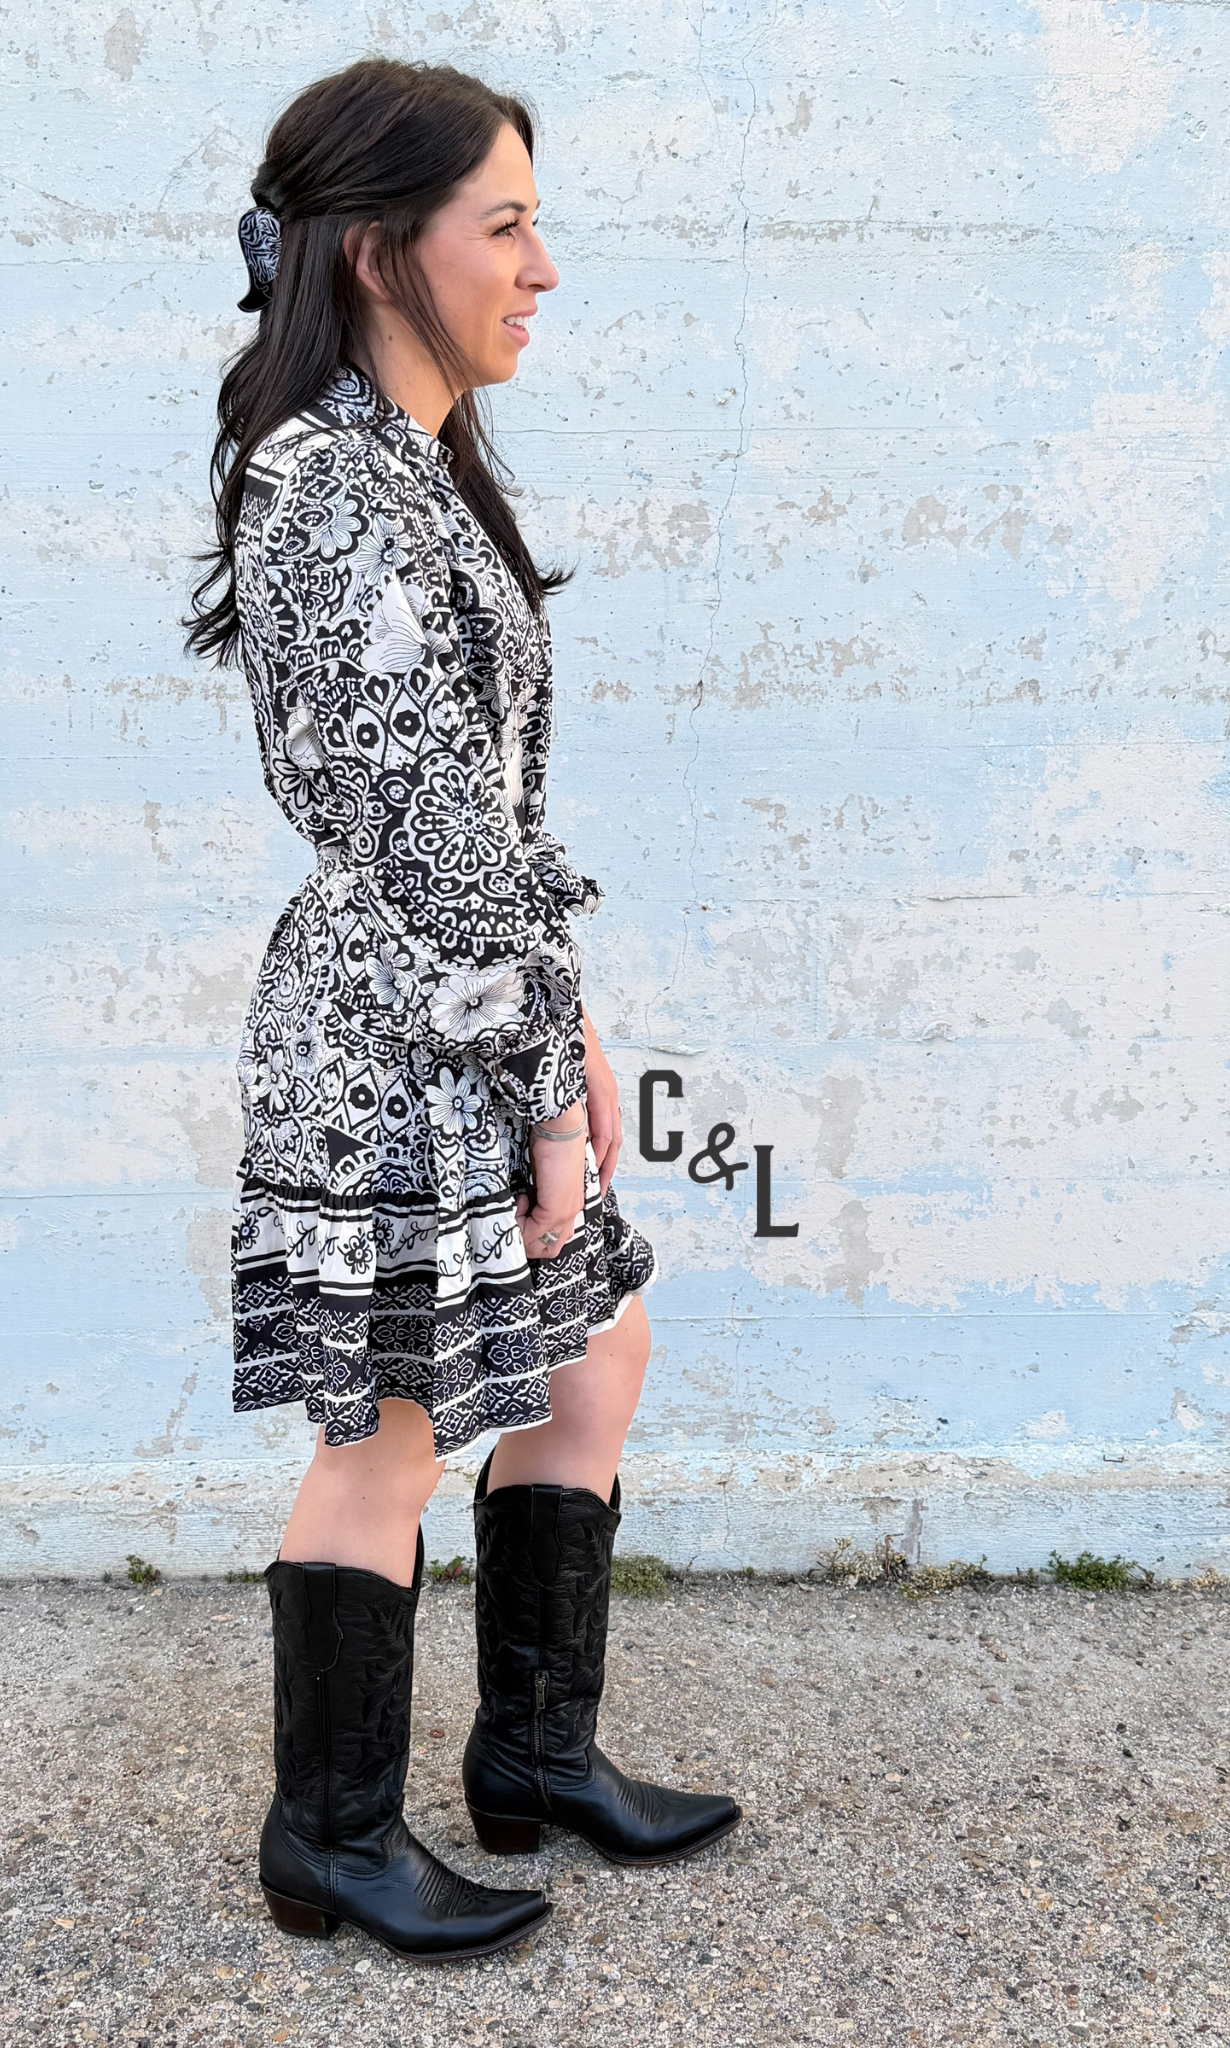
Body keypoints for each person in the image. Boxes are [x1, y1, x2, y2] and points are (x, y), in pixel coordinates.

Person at [184, 55, 740, 1964]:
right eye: (503, 225)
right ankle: (330, 1836)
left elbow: (487, 812)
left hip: (474, 997)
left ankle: (532, 1757)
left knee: (596, 1358)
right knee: (392, 1435)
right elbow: (423, 840)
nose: (542, 268)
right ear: (372, 253)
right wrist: (552, 1099)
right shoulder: (333, 491)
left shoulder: (415, 467)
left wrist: (570, 1029)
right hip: (398, 1034)